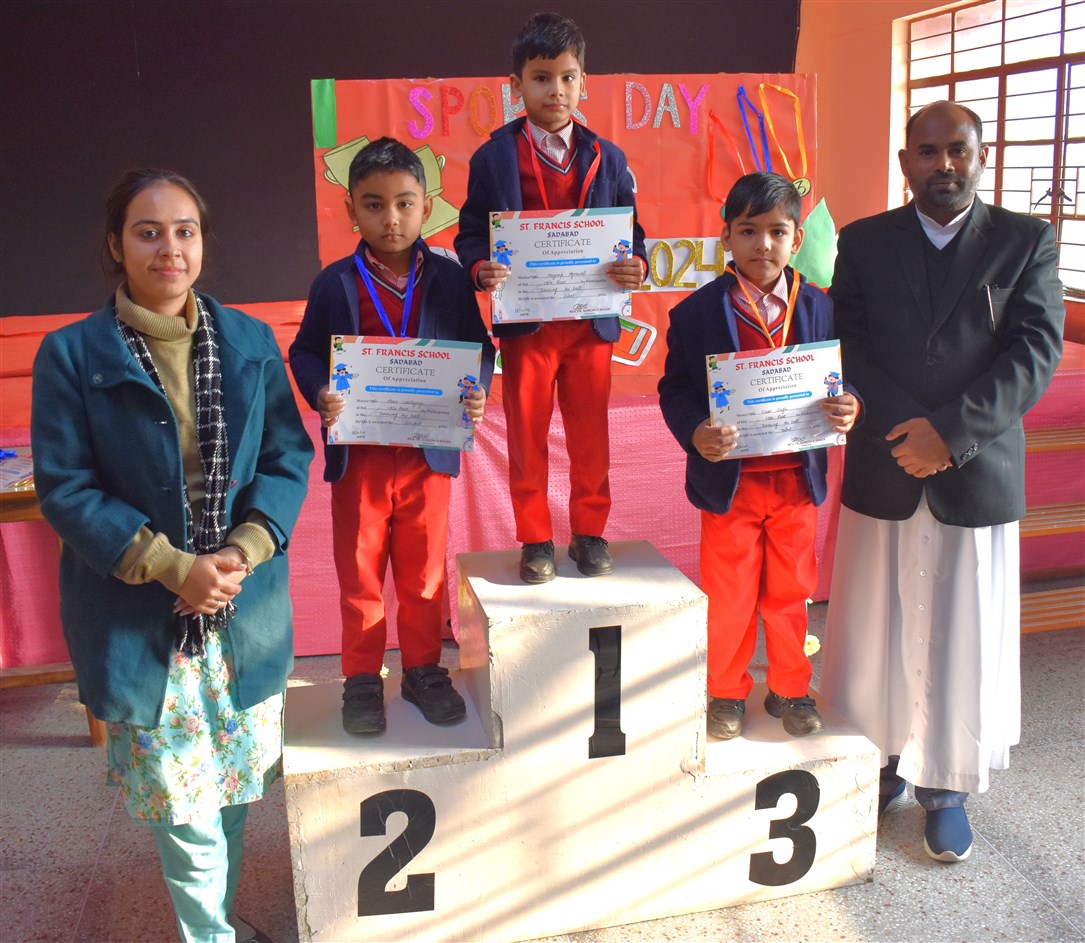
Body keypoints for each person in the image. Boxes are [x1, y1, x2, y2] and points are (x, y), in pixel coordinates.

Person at [31, 169, 313, 942]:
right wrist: (173, 566)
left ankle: (217, 924)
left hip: (241, 606)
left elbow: (287, 456)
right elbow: (65, 487)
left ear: (202, 242)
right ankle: (211, 934)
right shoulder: (71, 355)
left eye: (184, 230)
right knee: (183, 807)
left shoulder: (248, 340)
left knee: (235, 784)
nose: (169, 247)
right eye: (148, 231)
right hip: (142, 616)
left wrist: (240, 553)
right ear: (115, 245)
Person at [819, 101, 1065, 862]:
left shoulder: (1025, 240)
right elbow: (845, 342)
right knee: (876, 624)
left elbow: (1034, 351)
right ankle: (880, 759)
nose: (944, 164)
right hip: (886, 459)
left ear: (981, 156)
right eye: (928, 152)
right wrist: (908, 432)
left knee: (962, 631)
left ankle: (946, 785)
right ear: (906, 163)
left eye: (958, 149)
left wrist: (950, 436)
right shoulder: (864, 241)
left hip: (976, 467)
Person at [290, 137, 495, 735]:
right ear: (351, 210)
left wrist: (477, 388)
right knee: (359, 574)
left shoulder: (450, 280)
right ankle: (361, 677)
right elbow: (305, 352)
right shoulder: (334, 282)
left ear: (426, 207)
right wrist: (320, 392)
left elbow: (479, 349)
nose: (391, 218)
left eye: (405, 203)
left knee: (424, 574)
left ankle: (423, 670)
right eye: (374, 204)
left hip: (429, 455)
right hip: (361, 457)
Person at [658, 172, 858, 741]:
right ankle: (725, 690)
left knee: (791, 592)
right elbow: (675, 390)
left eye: (777, 232)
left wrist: (851, 403)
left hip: (796, 482)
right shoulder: (695, 313)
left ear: (797, 238)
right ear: (726, 236)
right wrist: (695, 430)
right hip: (731, 484)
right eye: (748, 231)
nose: (763, 245)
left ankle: (790, 688)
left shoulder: (821, 307)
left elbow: (847, 377)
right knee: (730, 596)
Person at [454, 11, 647, 584]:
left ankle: (589, 532)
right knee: (527, 436)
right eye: (541, 78)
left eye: (567, 77)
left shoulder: (608, 156)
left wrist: (634, 264)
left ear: (583, 81)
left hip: (591, 326)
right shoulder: (492, 158)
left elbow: (632, 231)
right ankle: (535, 538)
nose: (555, 90)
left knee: (591, 439)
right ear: (516, 86)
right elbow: (470, 232)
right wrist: (480, 267)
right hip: (527, 326)